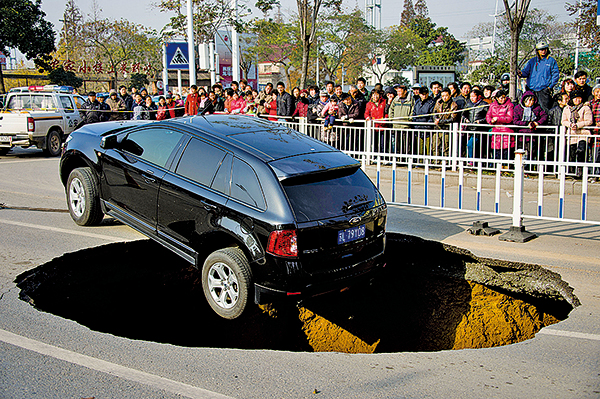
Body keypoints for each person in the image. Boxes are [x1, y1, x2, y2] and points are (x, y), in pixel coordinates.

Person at [519, 41, 559, 112]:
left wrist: (549, 87)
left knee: (544, 109)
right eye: (541, 49)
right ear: (537, 51)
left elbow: (555, 75)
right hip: (531, 89)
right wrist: (520, 73)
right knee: (530, 109)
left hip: (543, 90)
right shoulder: (532, 61)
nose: (543, 51)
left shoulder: (551, 61)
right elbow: (525, 72)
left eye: (545, 49)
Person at [562, 90, 593, 178]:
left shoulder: (585, 108)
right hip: (571, 134)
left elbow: (589, 121)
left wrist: (578, 125)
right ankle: (573, 172)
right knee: (572, 153)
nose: (577, 100)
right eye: (575, 98)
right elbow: (563, 121)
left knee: (581, 152)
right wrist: (570, 124)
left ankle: (581, 171)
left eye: (579, 98)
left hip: (583, 133)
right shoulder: (567, 109)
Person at [513, 91, 548, 162]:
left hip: (533, 135)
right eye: (529, 100)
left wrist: (537, 123)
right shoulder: (518, 108)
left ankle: (531, 168)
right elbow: (515, 121)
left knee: (532, 153)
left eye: (532, 100)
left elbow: (544, 116)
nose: (531, 102)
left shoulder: (537, 108)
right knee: (521, 153)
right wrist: (526, 123)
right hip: (521, 135)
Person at [486, 89, 515, 164]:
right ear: (497, 98)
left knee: (506, 151)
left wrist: (498, 119)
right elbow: (488, 115)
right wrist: (490, 121)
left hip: (506, 130)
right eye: (501, 98)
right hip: (496, 130)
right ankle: (496, 167)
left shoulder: (509, 105)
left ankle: (506, 167)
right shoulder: (492, 105)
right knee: (496, 150)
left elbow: (509, 118)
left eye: (504, 97)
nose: (503, 99)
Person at [462, 89, 489, 160]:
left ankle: (475, 162)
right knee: (471, 145)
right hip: (470, 129)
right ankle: (472, 161)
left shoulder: (484, 105)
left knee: (477, 147)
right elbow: (463, 114)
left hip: (480, 129)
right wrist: (465, 120)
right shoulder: (468, 104)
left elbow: (488, 117)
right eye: (471, 96)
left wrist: (480, 121)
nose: (472, 98)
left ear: (478, 97)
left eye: (473, 96)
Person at [433, 88, 458, 157]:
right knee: (435, 146)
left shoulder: (453, 105)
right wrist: (435, 119)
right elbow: (434, 112)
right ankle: (436, 162)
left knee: (445, 147)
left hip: (446, 129)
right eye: (443, 96)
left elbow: (453, 118)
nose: (444, 97)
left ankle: (446, 163)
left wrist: (441, 121)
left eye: (446, 95)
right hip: (437, 128)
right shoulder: (438, 102)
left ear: (450, 95)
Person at [412, 86, 435, 155]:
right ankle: (420, 162)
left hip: (427, 129)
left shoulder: (431, 102)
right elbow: (414, 114)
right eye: (422, 94)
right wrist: (415, 125)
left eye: (426, 94)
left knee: (428, 148)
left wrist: (427, 126)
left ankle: (429, 163)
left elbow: (432, 116)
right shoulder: (417, 102)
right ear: (419, 94)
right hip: (418, 129)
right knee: (419, 148)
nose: (424, 96)